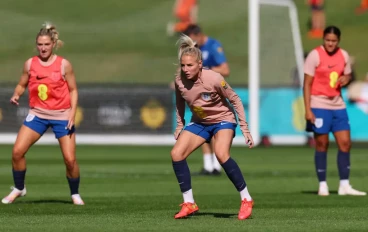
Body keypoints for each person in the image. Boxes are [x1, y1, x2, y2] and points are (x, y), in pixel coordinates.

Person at [171, 34, 254, 220]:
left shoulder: (214, 78)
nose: (186, 69)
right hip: (200, 122)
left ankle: (246, 199)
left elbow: (235, 100)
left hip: (223, 120)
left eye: (190, 65)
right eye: (183, 65)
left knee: (221, 154)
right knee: (176, 154)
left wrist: (245, 128)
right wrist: (179, 125)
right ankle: (189, 203)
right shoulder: (179, 81)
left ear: (200, 64)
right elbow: (179, 103)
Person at [1, 22, 84, 205]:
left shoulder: (64, 65)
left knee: (70, 160)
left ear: (53, 44)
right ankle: (19, 188)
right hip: (37, 114)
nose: (43, 48)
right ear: (36, 45)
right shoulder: (30, 64)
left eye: (46, 44)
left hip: (61, 115)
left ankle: (75, 193)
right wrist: (17, 94)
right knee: (17, 152)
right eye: (40, 44)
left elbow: (73, 90)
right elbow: (22, 84)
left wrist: (71, 114)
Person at [303, 25, 366, 196]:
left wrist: (347, 78)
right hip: (319, 104)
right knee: (322, 144)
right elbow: (307, 83)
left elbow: (347, 75)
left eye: (334, 41)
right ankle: (322, 184)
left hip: (338, 104)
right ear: (323, 39)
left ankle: (344, 185)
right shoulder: (314, 55)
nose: (330, 43)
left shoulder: (343, 55)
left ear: (338, 41)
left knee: (345, 143)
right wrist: (308, 109)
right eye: (327, 40)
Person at [183, 24, 230, 176]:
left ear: (198, 35)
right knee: (200, 125)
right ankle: (208, 166)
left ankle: (216, 165)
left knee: (214, 128)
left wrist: (204, 70)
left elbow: (225, 69)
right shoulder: (195, 50)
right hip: (199, 95)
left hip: (214, 95)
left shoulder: (213, 46)